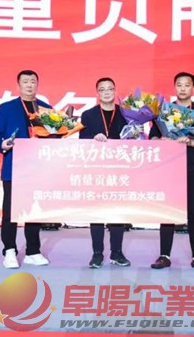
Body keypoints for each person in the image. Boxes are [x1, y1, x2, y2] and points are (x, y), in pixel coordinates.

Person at [150, 72, 194, 271]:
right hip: (169, 168)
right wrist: (163, 141)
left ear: (193, 88)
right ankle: (164, 256)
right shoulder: (164, 111)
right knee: (168, 212)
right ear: (175, 87)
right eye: (179, 85)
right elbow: (153, 137)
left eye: (187, 85)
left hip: (193, 166)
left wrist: (190, 142)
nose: (183, 88)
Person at [0, 70, 50, 269]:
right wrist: (2, 144)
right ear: (18, 85)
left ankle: (33, 251)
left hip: (37, 168)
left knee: (34, 209)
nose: (29, 85)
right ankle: (9, 250)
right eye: (25, 82)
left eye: (33, 81)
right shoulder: (7, 108)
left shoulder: (46, 108)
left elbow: (55, 136)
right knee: (11, 210)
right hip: (14, 165)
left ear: (37, 84)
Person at [79, 77, 131, 269]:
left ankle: (117, 253)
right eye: (102, 89)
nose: (107, 92)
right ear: (97, 93)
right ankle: (97, 253)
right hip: (97, 169)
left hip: (120, 169)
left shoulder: (126, 114)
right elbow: (82, 140)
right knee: (97, 211)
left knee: (118, 211)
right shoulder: (88, 115)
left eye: (110, 89)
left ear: (115, 91)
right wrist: (93, 137)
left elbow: (134, 138)